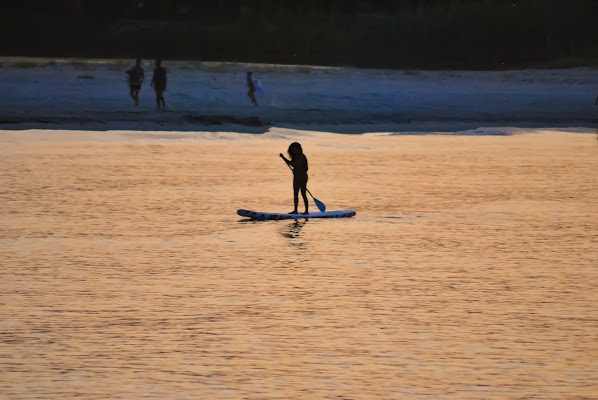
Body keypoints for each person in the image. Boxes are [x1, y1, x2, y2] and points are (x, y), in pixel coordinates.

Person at [280, 142, 309, 214]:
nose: (294, 151)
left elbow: (305, 168)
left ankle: (306, 211)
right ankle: (295, 210)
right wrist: (295, 171)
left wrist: (283, 157)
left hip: (302, 177)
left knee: (303, 193)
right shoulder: (295, 157)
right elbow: (293, 164)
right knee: (295, 193)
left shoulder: (302, 157)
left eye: (295, 149)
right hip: (296, 177)